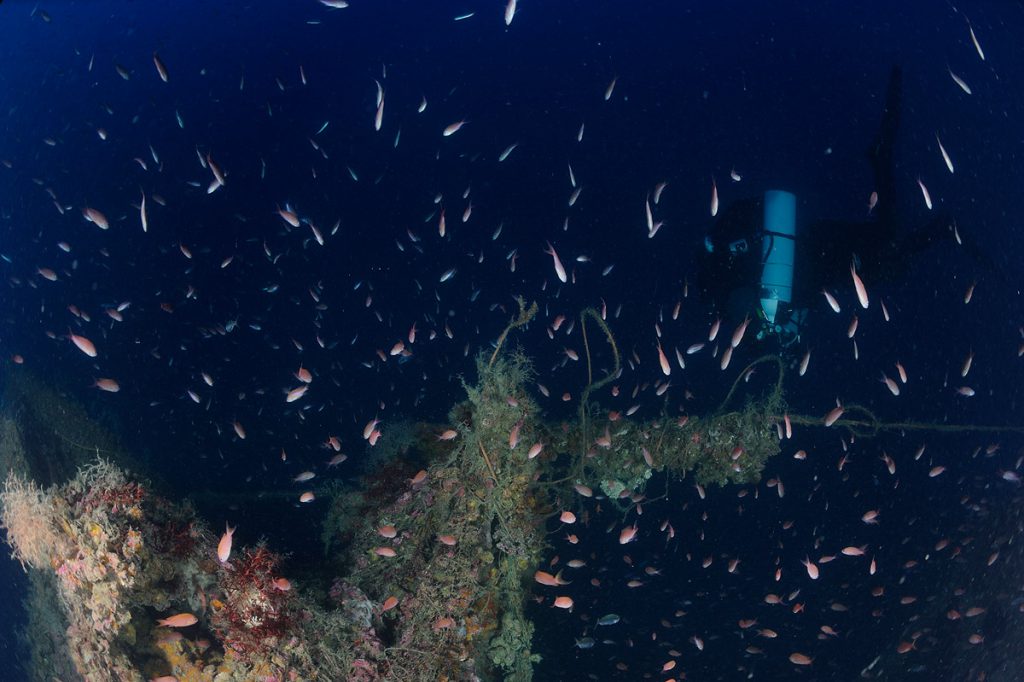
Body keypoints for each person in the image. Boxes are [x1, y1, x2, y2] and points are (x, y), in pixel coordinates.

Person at [696, 66, 963, 350]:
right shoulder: (733, 262)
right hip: (819, 246)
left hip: (825, 258)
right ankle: (931, 221)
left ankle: (887, 163)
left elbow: (757, 305)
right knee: (888, 245)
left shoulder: (727, 283)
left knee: (888, 244)